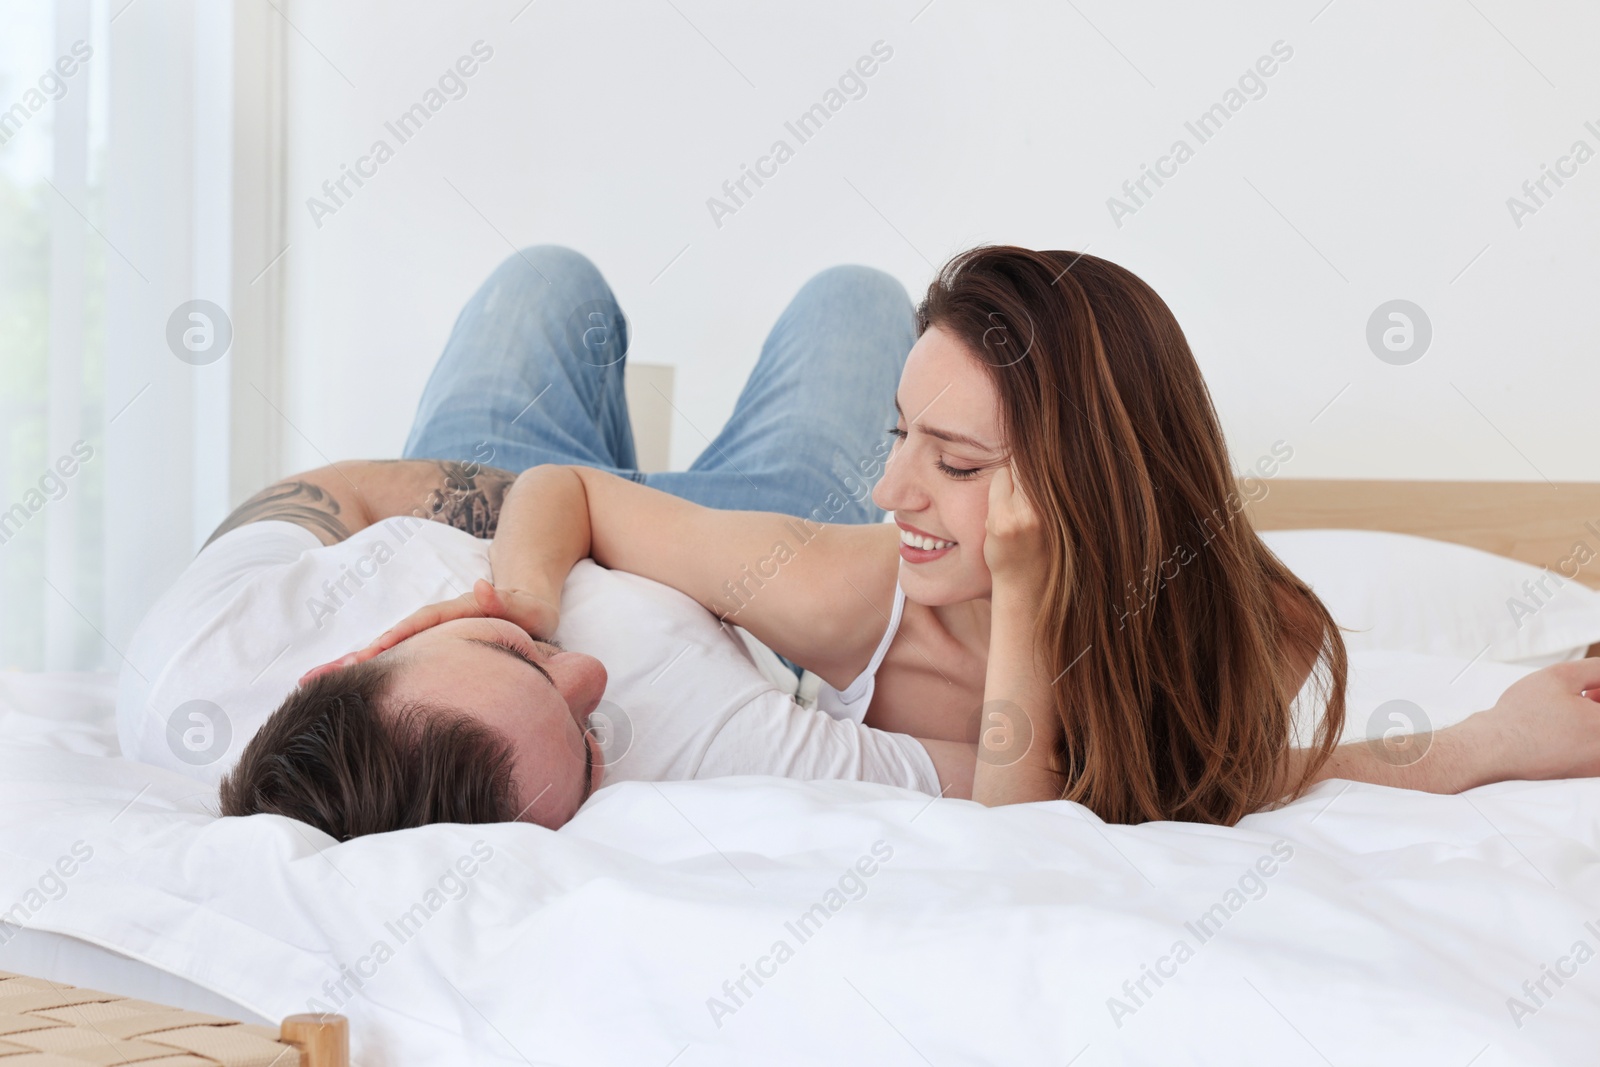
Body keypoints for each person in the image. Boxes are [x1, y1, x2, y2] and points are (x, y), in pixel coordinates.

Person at [360, 245, 1600, 826]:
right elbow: (566, 489)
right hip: (736, 523)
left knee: (846, 294)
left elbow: (1073, 817)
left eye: (952, 461)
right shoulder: (850, 585)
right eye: (900, 432)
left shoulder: (1244, 626)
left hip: (751, 524)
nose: (893, 485)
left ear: (1094, 484)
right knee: (552, 285)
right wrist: (521, 602)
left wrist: (1485, 738)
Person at [117, 248, 973, 840]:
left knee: (545, 279)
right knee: (853, 296)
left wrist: (551, 540)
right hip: (750, 564)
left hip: (497, 485)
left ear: (346, 661)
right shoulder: (722, 757)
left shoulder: (190, 665)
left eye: (519, 649)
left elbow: (341, 491)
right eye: (590, 735)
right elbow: (1024, 774)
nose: (589, 675)